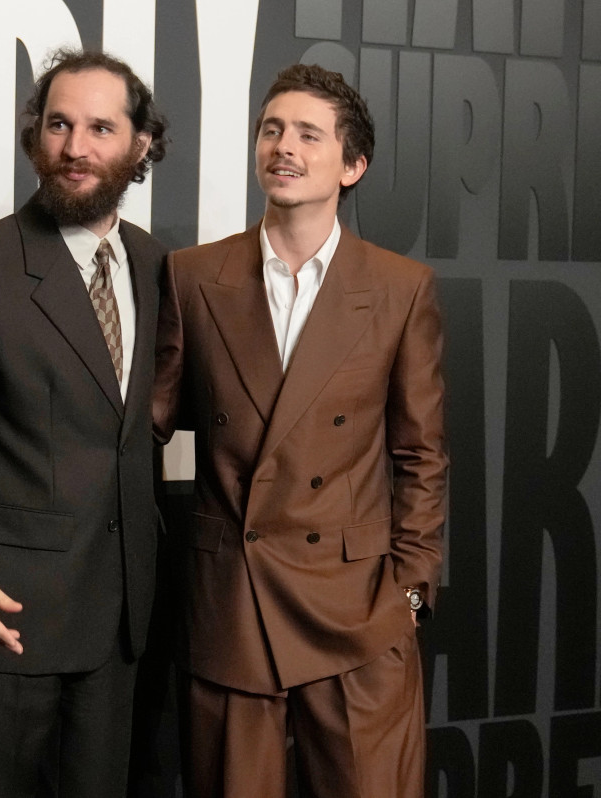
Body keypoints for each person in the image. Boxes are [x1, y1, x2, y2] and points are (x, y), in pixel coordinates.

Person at [153, 63, 447, 797]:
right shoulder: (191, 276)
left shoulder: (399, 287)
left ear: (352, 165)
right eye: (271, 129)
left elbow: (421, 454)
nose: (283, 146)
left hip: (358, 605)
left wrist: (410, 591)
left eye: (308, 134)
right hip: (233, 600)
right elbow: (147, 425)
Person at [0, 48, 168, 797]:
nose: (75, 147)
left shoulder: (156, 266)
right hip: (7, 622)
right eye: (58, 124)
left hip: (119, 627)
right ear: (34, 135)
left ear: (141, 145)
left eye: (100, 128)